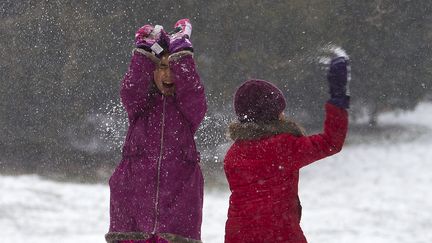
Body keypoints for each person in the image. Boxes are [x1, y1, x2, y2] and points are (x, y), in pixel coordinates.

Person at [223, 56, 350, 242]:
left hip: (238, 235)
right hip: (280, 234)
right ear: (271, 114)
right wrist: (337, 99)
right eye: (279, 110)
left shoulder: (232, 155)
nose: (283, 114)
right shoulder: (282, 147)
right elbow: (331, 142)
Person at [105, 19, 207, 243]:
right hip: (132, 209)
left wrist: (183, 53)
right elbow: (131, 88)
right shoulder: (140, 107)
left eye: (173, 67)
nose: (168, 75)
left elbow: (193, 92)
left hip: (178, 212)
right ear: (152, 69)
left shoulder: (189, 112)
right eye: (162, 66)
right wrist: (143, 51)